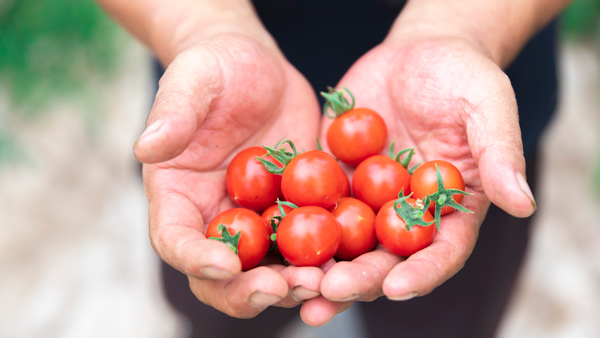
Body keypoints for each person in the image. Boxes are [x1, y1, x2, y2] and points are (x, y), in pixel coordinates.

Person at [97, 0, 571, 336]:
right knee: (222, 305)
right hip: (226, 118)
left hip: (452, 131)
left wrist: (466, 27)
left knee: (444, 320)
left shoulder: (436, 178)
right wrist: (200, 24)